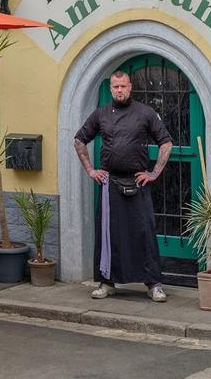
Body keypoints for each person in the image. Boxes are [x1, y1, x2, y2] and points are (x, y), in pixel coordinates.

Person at [74, 70, 173, 302]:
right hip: (110, 183)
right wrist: (90, 170)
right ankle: (107, 283)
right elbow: (79, 140)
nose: (119, 90)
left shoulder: (145, 112)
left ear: (131, 87)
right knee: (109, 235)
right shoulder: (101, 114)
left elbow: (166, 142)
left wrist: (154, 172)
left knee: (145, 232)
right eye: (115, 87)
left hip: (138, 183)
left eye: (123, 86)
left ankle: (154, 285)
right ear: (111, 89)